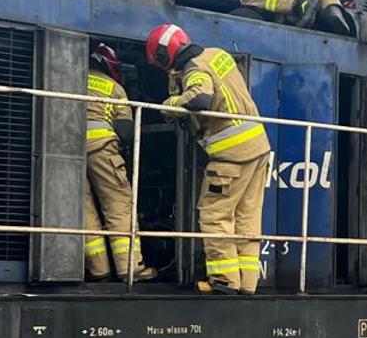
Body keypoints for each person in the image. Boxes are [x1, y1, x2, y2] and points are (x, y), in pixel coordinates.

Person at [144, 23, 269, 294]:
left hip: (231, 154)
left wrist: (169, 105)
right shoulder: (218, 54)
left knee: (215, 215)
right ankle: (248, 284)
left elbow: (200, 98)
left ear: (167, 54)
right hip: (258, 147)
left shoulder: (194, 69)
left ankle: (224, 281)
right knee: (246, 218)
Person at [82, 43, 155, 283]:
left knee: (85, 210)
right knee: (118, 205)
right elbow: (126, 132)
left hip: (67, 154)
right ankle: (130, 268)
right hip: (103, 151)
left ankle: (99, 269)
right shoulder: (114, 87)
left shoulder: (70, 79)